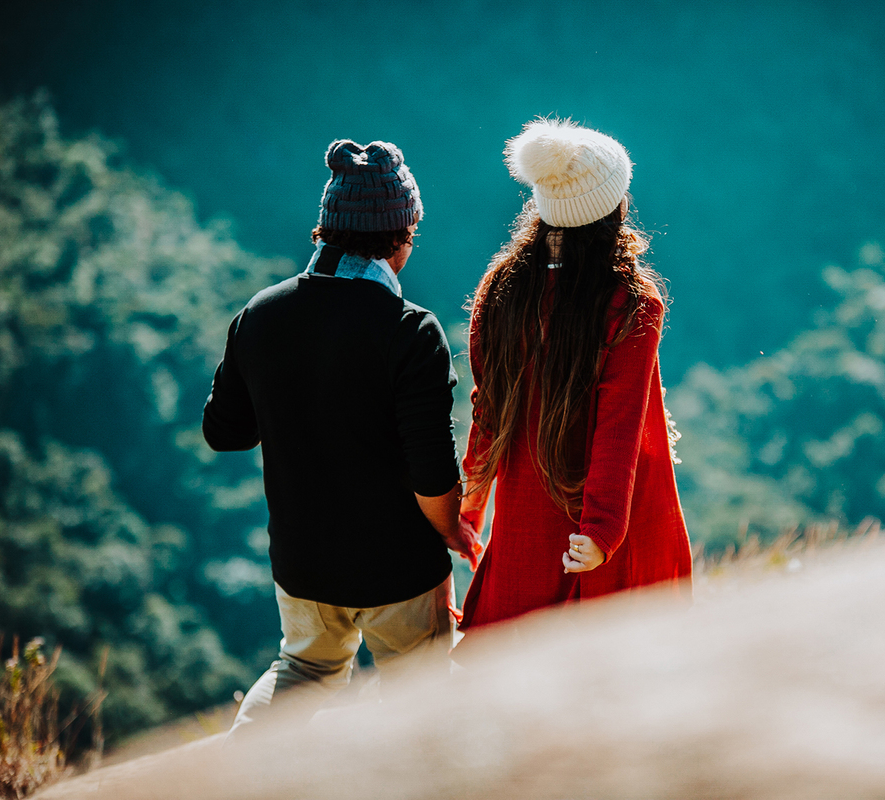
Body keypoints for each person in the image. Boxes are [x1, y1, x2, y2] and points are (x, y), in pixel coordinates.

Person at [202, 139, 480, 735]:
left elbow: (224, 432)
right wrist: (451, 528)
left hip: (303, 561)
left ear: (325, 229)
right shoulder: (410, 331)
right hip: (398, 565)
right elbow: (431, 470)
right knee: (419, 680)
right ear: (403, 232)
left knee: (302, 669)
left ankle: (240, 772)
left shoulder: (260, 314)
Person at [458, 119, 692, 640]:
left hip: (528, 512)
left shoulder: (500, 290)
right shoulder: (631, 301)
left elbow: (488, 413)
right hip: (623, 522)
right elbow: (618, 425)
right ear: (613, 206)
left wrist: (471, 504)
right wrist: (603, 529)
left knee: (512, 667)